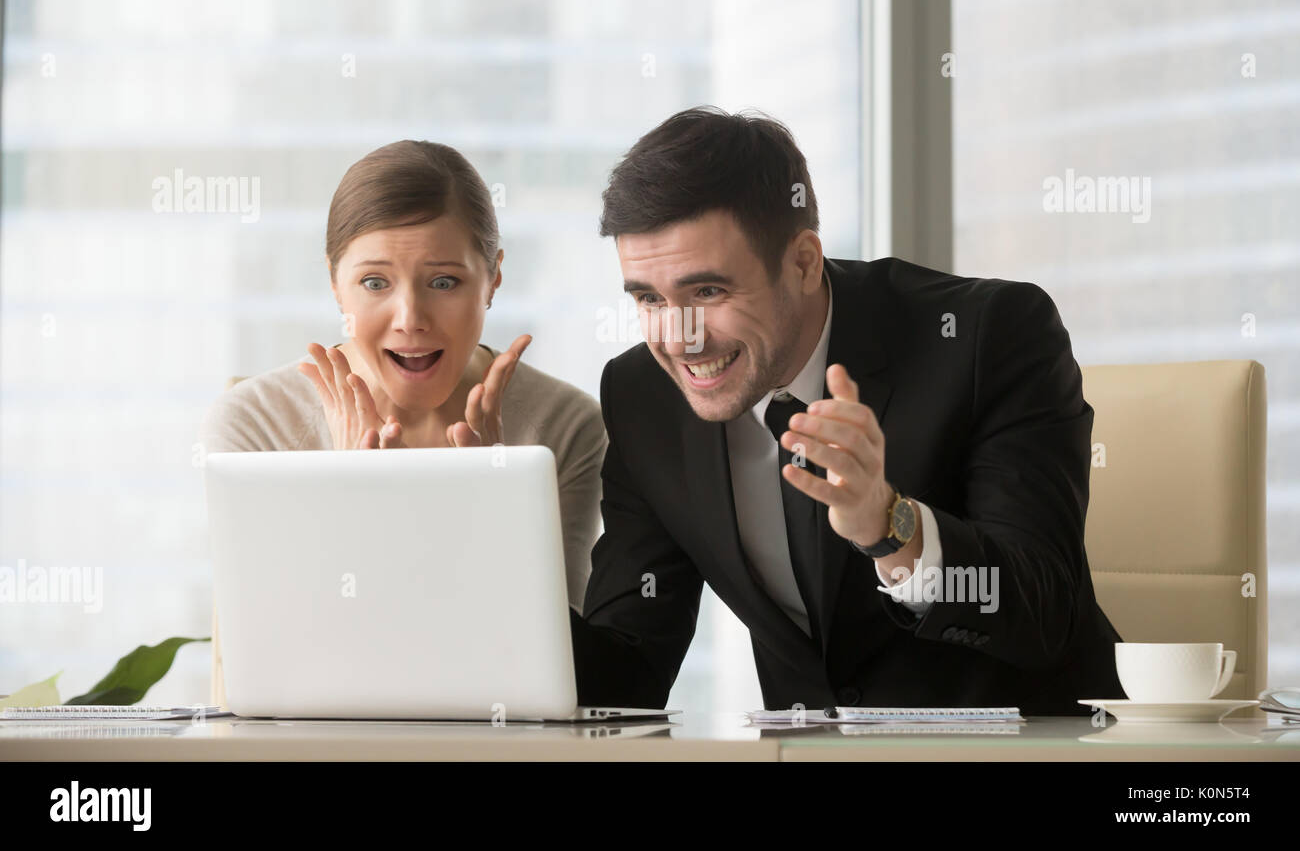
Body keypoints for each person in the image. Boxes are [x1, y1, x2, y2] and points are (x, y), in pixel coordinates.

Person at [569, 106, 1125, 714]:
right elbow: (624, 676)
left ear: (804, 261)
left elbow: (1044, 611)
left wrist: (891, 526)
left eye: (708, 292)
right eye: (649, 299)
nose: (679, 340)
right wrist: (491, 556)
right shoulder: (642, 395)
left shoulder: (987, 336)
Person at [198, 140, 607, 612]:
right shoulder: (254, 426)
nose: (410, 318)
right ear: (335, 284)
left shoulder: (567, 428)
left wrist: (496, 511)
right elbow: (277, 658)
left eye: (444, 282)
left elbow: (560, 668)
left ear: (493, 279)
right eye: (375, 283)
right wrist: (350, 508)